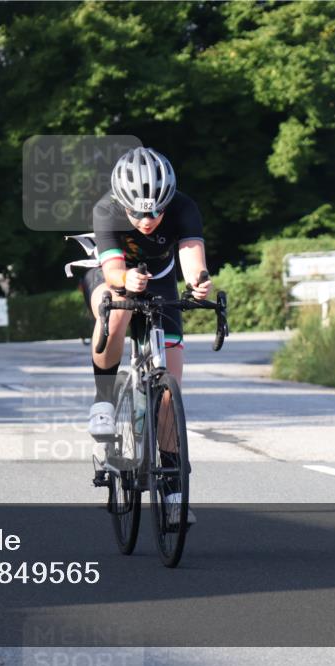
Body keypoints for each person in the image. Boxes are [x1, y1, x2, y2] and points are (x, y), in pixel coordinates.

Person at [82, 147, 211, 524]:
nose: (147, 219)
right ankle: (103, 399)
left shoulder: (184, 208)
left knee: (169, 395)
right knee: (117, 304)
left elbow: (192, 259)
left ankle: (172, 490)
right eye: (138, 212)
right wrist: (125, 280)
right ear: (123, 203)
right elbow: (112, 271)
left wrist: (200, 282)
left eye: (156, 211)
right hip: (113, 274)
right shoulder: (106, 210)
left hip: (161, 280)